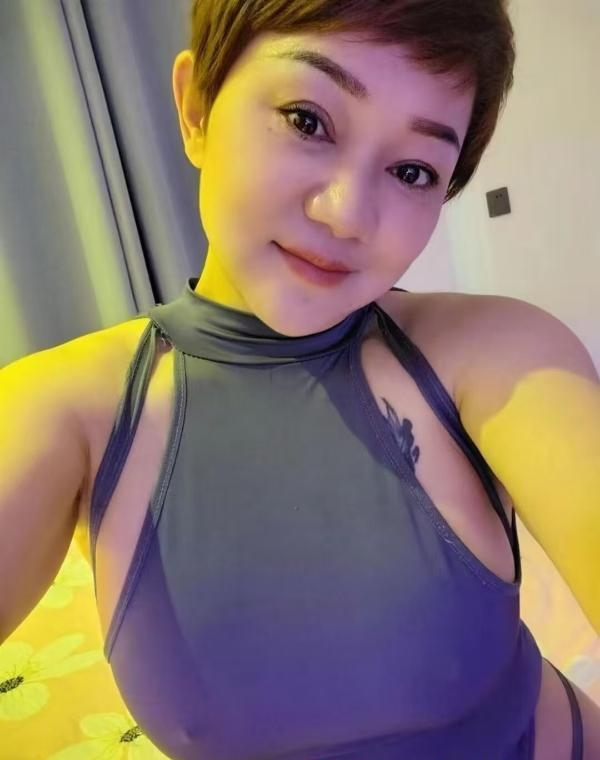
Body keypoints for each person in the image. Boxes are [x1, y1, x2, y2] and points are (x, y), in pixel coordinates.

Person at [2, 1, 599, 759]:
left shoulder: (496, 353)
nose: (348, 215)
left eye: (412, 171)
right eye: (307, 121)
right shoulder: (62, 408)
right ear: (195, 109)